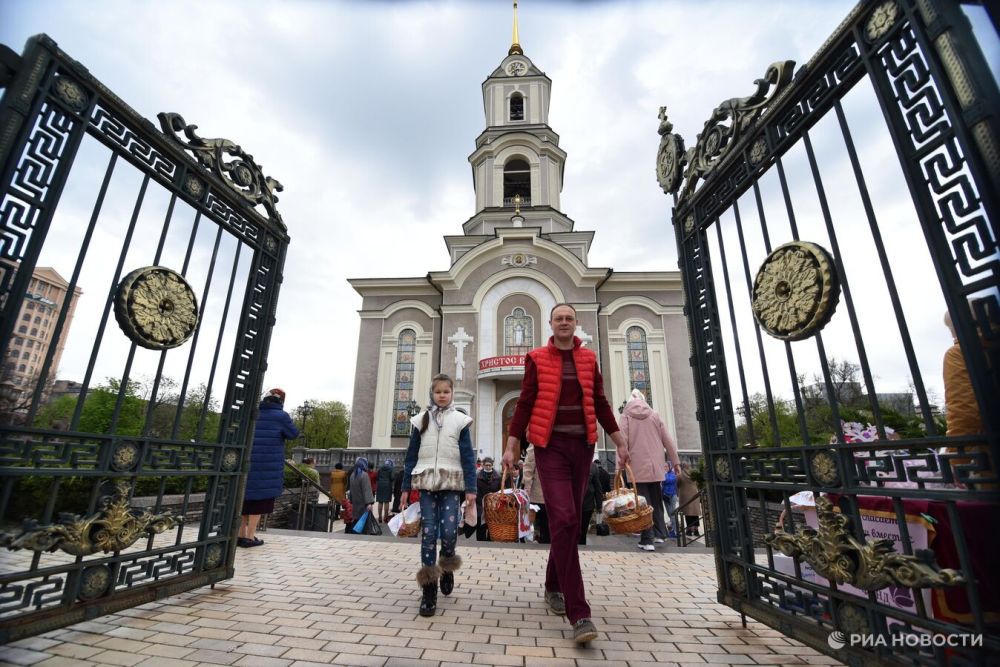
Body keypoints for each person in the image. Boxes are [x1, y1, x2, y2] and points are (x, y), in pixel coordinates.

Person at [502, 303, 628, 644]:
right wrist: (513, 443)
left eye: (569, 319)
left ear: (576, 324)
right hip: (549, 446)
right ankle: (579, 613)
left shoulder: (588, 360)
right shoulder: (537, 358)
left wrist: (619, 440)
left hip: (582, 447)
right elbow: (525, 403)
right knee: (565, 518)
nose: (564, 323)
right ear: (550, 323)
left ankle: (552, 585)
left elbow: (600, 402)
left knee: (568, 523)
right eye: (559, 318)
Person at [400, 373, 477, 617]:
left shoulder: (460, 421)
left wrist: (471, 489)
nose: (442, 395)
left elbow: (467, 456)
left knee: (449, 533)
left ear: (452, 393)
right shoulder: (420, 420)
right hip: (426, 483)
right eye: (438, 392)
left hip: (452, 483)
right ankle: (429, 591)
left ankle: (447, 565)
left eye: (446, 391)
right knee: (429, 533)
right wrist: (404, 487)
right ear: (432, 394)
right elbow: (411, 456)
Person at [618, 388, 681, 551]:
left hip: (637, 467)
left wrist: (619, 466)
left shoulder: (626, 416)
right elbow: (668, 440)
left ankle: (647, 540)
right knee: (656, 500)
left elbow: (622, 442)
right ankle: (660, 534)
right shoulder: (654, 415)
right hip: (656, 467)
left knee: (642, 504)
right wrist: (676, 463)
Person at [240, 388, 299, 548]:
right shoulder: (281, 416)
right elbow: (294, 434)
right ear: (281, 401)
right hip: (268, 465)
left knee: (244, 500)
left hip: (248, 462)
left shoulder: (253, 412)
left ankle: (240, 534)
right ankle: (250, 537)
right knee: (258, 502)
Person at [520, 446, 549, 544]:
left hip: (554, 494)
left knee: (548, 528)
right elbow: (528, 467)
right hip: (539, 494)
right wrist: (527, 487)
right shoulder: (536, 444)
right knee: (541, 525)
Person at [475, 457, 501, 540]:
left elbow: (499, 490)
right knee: (481, 525)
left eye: (490, 465)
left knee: (492, 524)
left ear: (492, 465)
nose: (488, 467)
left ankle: (491, 540)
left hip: (493, 504)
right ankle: (480, 541)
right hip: (480, 504)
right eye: (486, 465)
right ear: (483, 465)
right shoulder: (478, 477)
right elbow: (477, 491)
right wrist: (481, 502)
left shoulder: (497, 477)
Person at [579, 459, 604, 545]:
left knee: (583, 530)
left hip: (587, 505)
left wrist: (599, 505)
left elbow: (598, 487)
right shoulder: (568, 462)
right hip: (571, 504)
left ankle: (582, 549)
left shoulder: (593, 467)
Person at [348, 457, 375, 530]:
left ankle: (356, 533)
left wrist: (351, 501)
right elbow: (367, 489)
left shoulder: (352, 475)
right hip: (363, 503)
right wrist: (369, 503)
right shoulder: (364, 475)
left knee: (356, 520)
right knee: (364, 522)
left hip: (355, 502)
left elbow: (351, 490)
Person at [677, 462, 702, 537]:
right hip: (694, 495)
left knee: (687, 514)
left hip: (685, 497)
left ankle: (689, 530)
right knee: (695, 513)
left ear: (682, 467)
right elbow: (698, 484)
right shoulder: (694, 475)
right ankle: (696, 530)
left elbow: (678, 485)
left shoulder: (680, 475)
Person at [661, 466, 679, 538]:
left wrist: (664, 475)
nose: (665, 467)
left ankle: (676, 531)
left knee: (672, 514)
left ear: (669, 467)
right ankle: (672, 530)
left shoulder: (672, 474)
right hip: (665, 495)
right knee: (669, 513)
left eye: (666, 466)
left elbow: (669, 480)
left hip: (672, 495)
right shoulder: (663, 474)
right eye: (664, 466)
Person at [376, 458, 395, 523]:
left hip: (380, 485)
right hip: (387, 485)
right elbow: (392, 478)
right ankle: (386, 518)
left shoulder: (380, 468)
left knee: (380, 501)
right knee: (386, 502)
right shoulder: (391, 469)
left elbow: (377, 477)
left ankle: (380, 517)